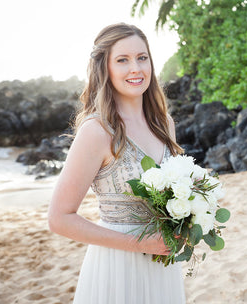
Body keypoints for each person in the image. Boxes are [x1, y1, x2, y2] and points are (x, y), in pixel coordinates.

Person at [48, 23, 186, 303]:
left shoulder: (164, 124)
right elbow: (59, 218)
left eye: (142, 57)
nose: (136, 68)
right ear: (105, 68)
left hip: (162, 267)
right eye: (122, 60)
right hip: (117, 267)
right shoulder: (97, 130)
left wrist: (188, 220)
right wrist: (140, 244)